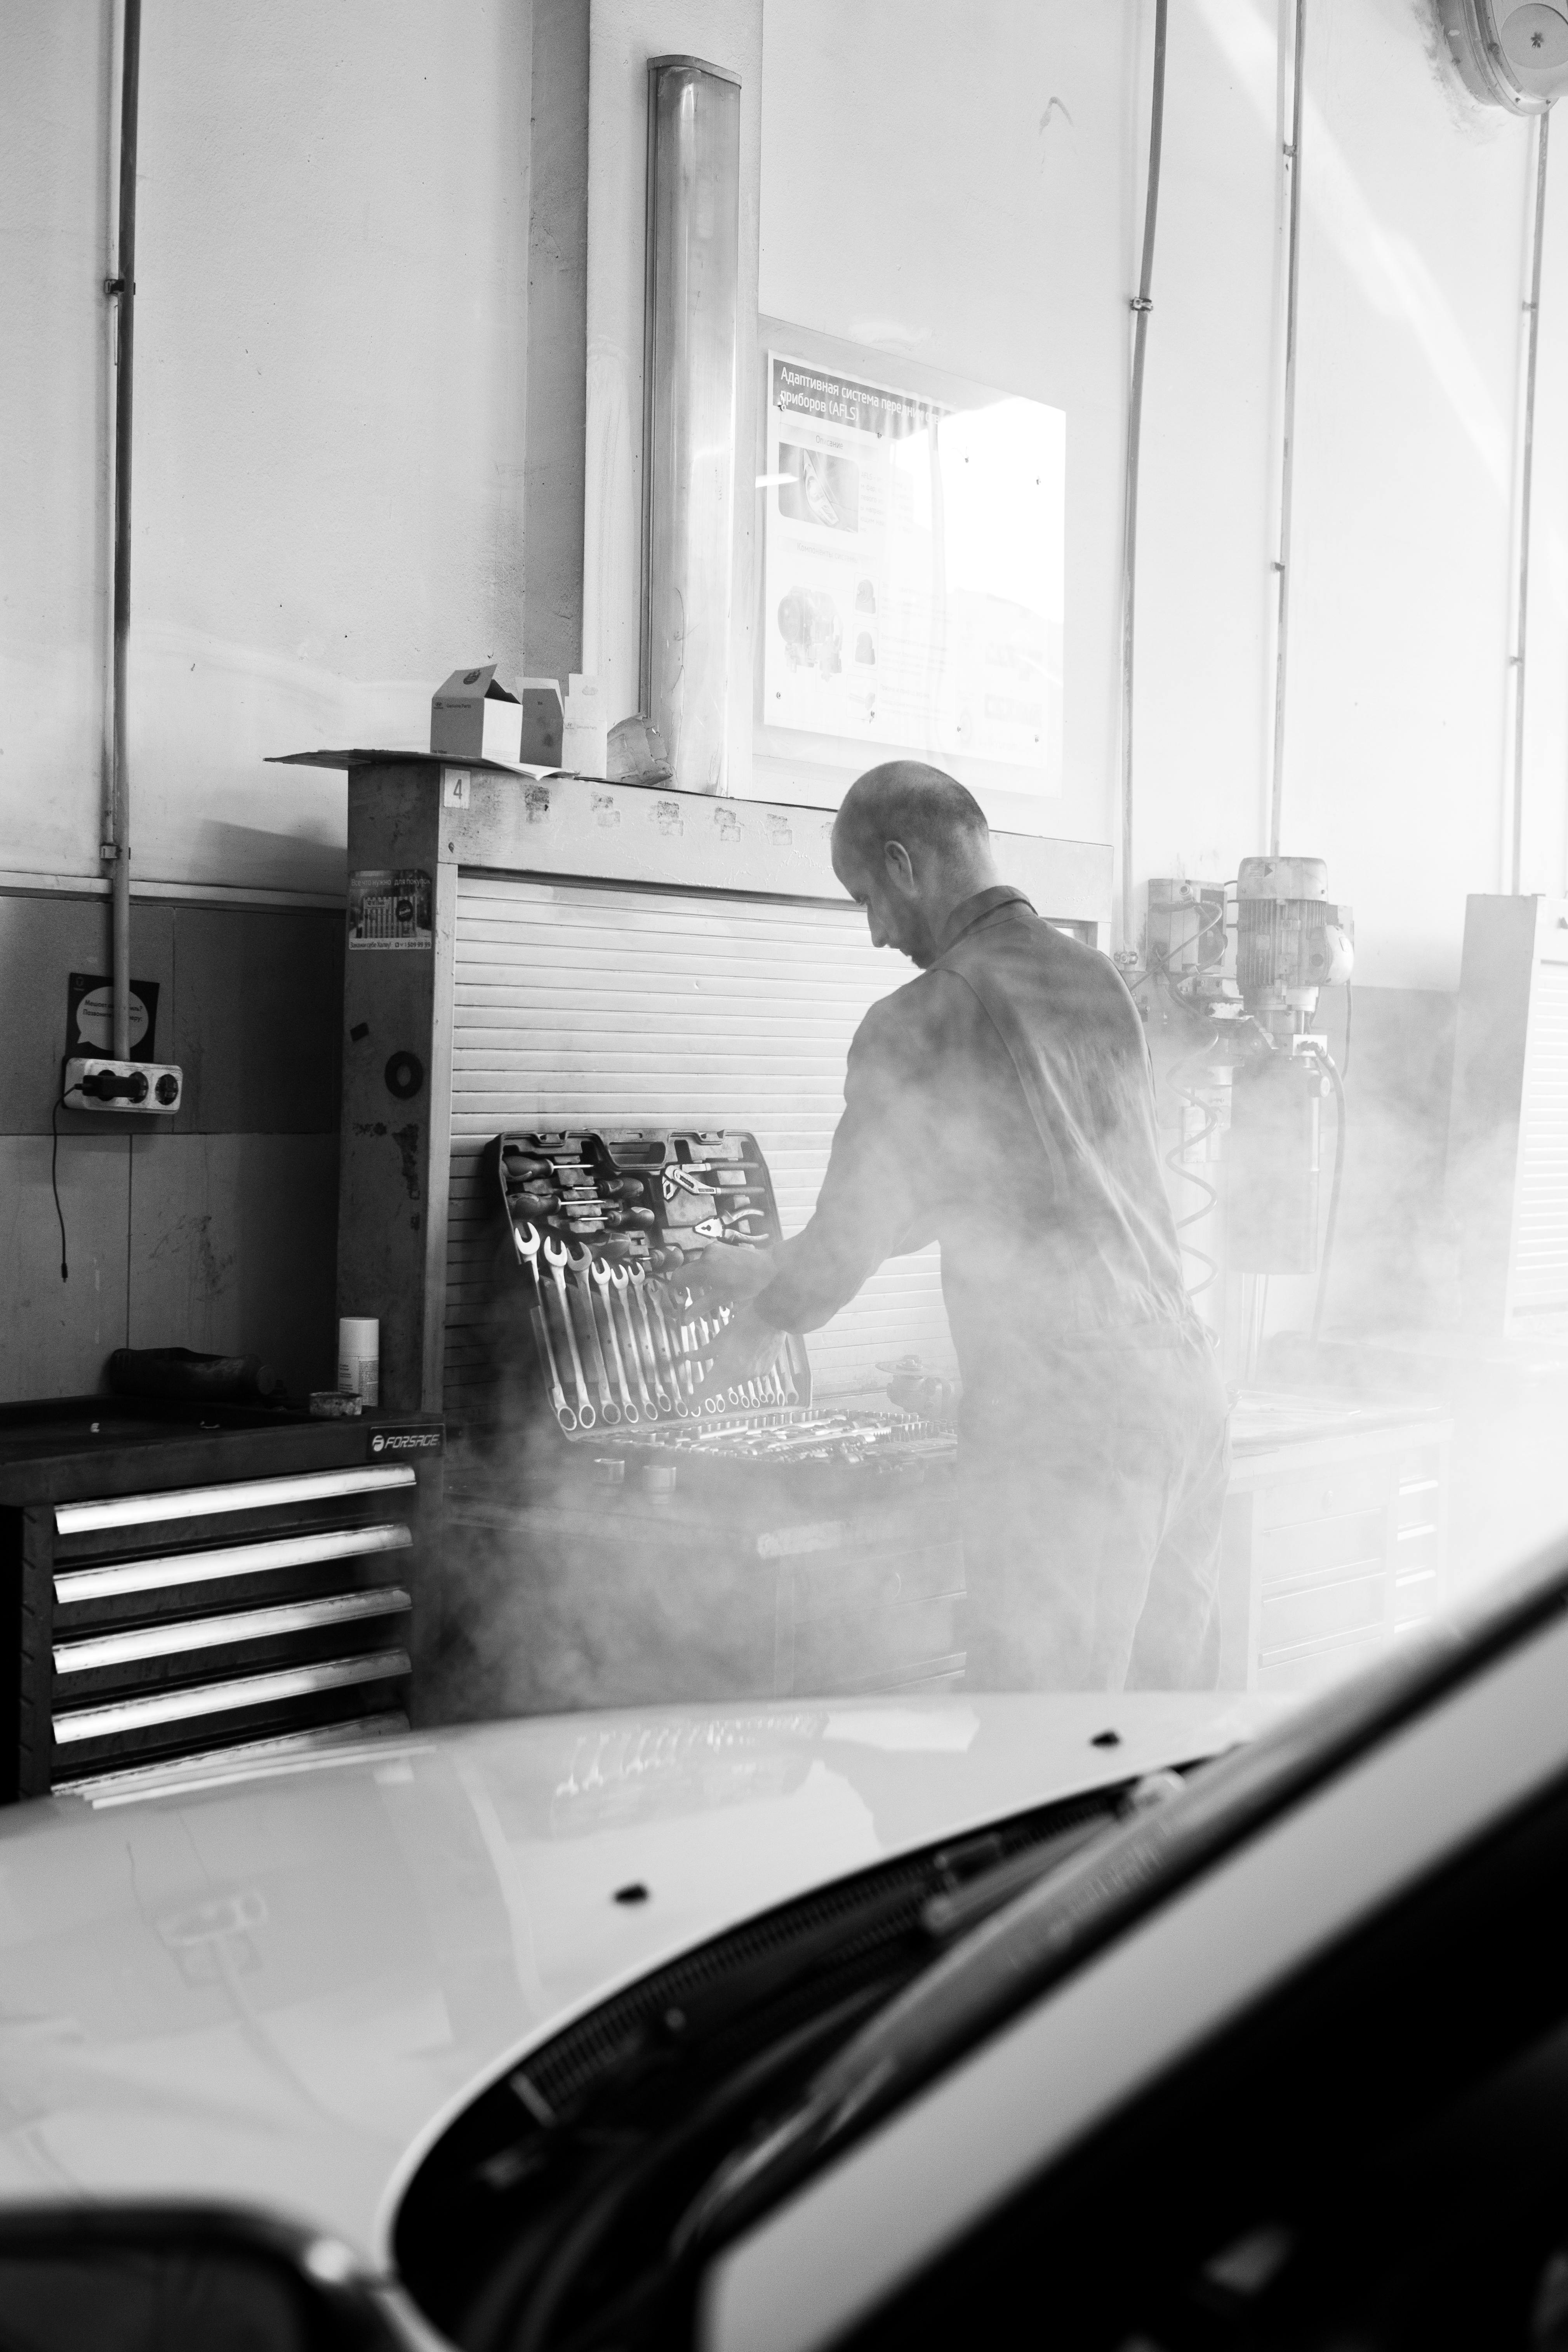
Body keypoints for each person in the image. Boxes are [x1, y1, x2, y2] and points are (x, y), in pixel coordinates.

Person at [696, 760, 1231, 1691]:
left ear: (904, 864)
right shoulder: (1095, 977)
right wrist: (771, 1274)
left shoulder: (926, 1014)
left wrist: (763, 1301)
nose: (874, 933)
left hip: (1073, 1429)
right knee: (1159, 1741)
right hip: (1177, 1393)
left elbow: (843, 1250)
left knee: (1047, 1750)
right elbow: (999, 1190)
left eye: (866, 898)